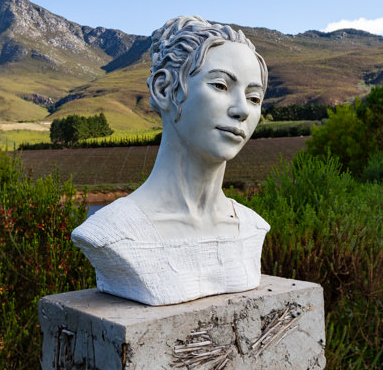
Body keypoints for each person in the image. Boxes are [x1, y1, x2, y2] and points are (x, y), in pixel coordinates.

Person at [71, 16, 271, 305]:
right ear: (164, 90)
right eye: (220, 85)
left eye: (254, 98)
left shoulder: (252, 229)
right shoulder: (114, 233)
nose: (242, 110)